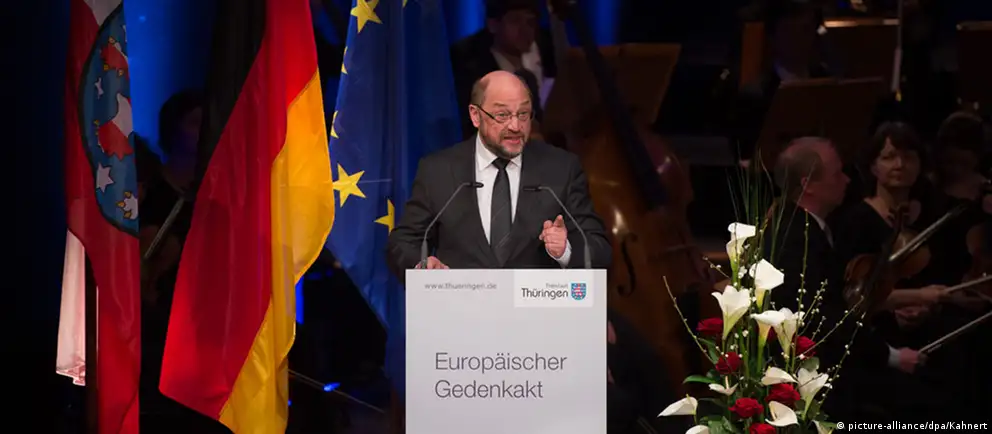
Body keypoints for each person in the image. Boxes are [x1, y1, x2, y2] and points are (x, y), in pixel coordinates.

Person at [765, 137, 944, 421]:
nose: (847, 180)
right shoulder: (797, 240)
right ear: (808, 185)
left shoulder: (804, 227)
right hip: (820, 379)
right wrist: (891, 356)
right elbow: (823, 317)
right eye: (837, 173)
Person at [386, 70, 610, 271]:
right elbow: (404, 242)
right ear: (476, 115)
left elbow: (599, 249)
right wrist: (422, 264)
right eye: (502, 115)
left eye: (523, 114)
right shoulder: (439, 171)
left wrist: (566, 250)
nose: (515, 126)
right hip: (463, 303)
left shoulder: (561, 168)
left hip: (535, 303)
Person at [450, 0, 558, 138]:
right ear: (493, 25)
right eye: (515, 21)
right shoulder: (473, 75)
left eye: (530, 22)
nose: (525, 30)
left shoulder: (527, 78)